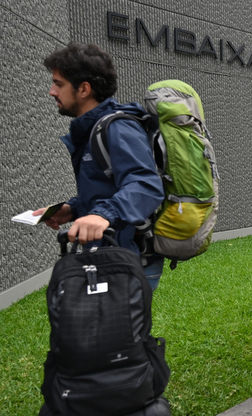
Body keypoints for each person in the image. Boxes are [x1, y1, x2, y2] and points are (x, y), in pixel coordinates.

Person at [37, 42, 165, 290]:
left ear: (84, 89)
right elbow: (107, 187)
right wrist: (72, 209)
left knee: (117, 329)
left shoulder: (117, 127)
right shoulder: (91, 130)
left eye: (58, 84)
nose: (52, 91)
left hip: (128, 259)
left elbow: (146, 184)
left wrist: (100, 214)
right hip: (111, 253)